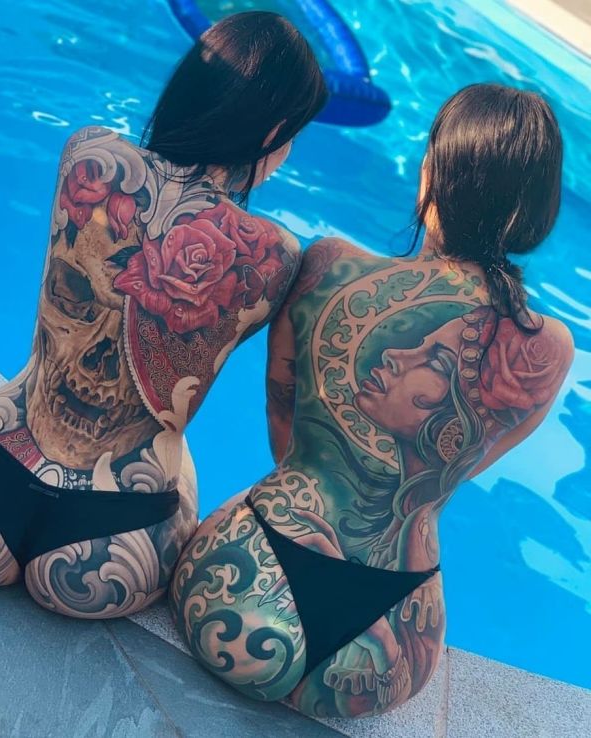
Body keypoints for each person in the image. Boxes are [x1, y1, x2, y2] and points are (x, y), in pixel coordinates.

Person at [170, 83, 574, 717]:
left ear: (434, 173)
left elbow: (284, 430)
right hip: (392, 651)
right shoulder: (546, 349)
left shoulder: (330, 266)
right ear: (537, 207)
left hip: (240, 588)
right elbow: (459, 466)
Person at [0, 12, 327, 619]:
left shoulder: (90, 155)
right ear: (272, 130)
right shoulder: (274, 254)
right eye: (292, 136)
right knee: (179, 448)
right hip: (112, 550)